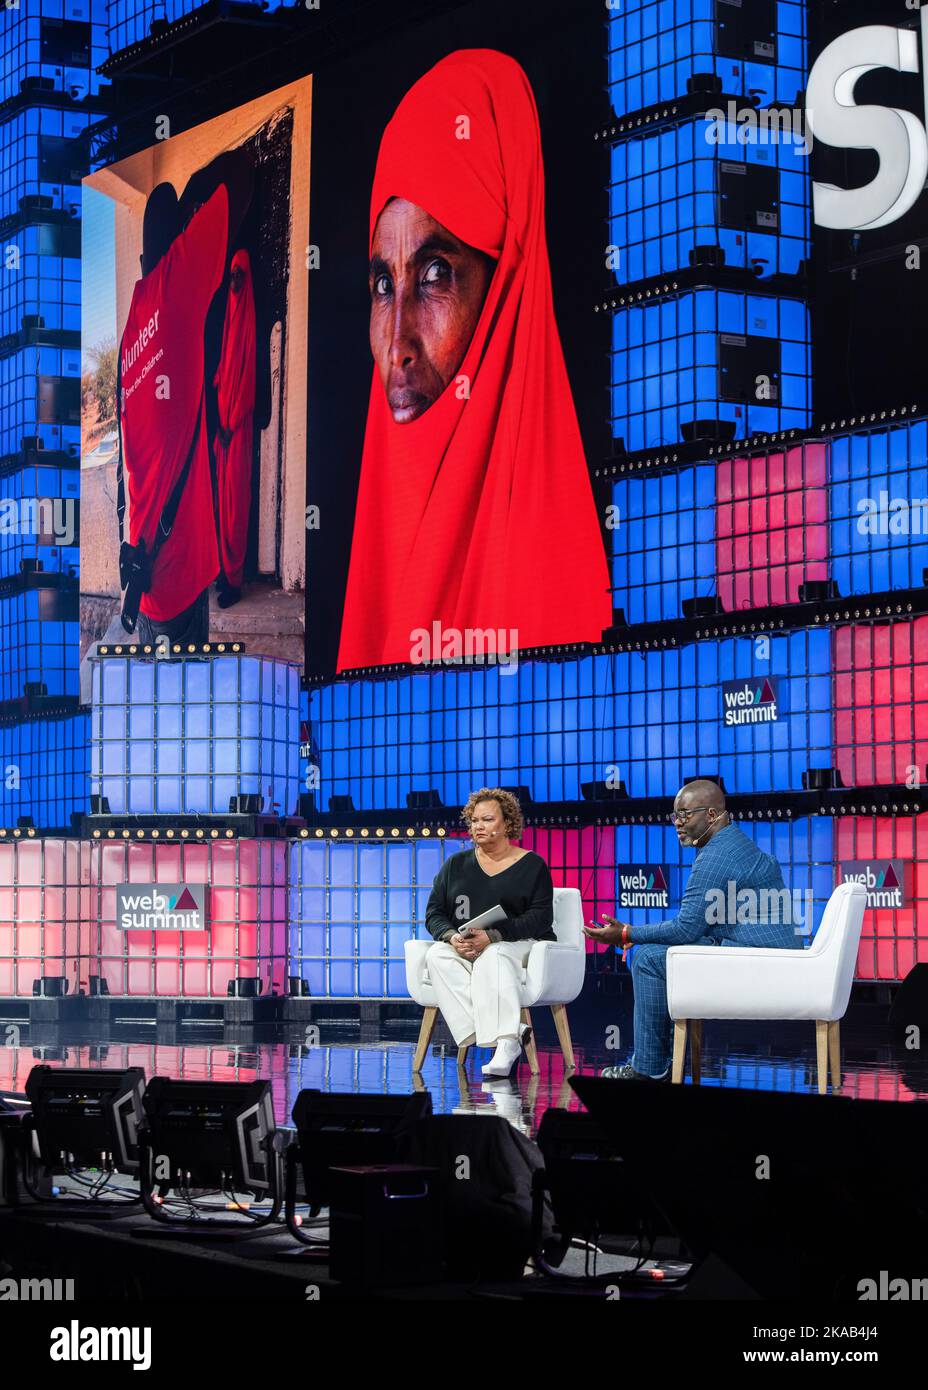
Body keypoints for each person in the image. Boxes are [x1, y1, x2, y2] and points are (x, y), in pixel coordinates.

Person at [336, 48, 612, 671]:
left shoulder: (555, 557)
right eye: (383, 284)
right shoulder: (375, 552)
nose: (398, 343)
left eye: (436, 274)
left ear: (506, 282)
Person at [117, 149, 253, 646]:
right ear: (178, 242)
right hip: (178, 578)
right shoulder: (176, 280)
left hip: (146, 572)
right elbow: (242, 173)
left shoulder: (131, 329)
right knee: (190, 710)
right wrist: (198, 185)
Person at [584, 780, 804, 1081]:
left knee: (648, 958)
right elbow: (698, 927)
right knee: (658, 954)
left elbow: (686, 928)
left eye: (685, 815)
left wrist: (626, 934)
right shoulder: (727, 842)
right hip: (760, 949)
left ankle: (650, 1069)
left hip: (764, 957)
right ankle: (658, 1064)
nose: (678, 823)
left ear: (712, 814)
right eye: (675, 816)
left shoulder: (717, 855)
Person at [425, 787, 555, 1078]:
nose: (477, 826)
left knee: (494, 954)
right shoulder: (455, 865)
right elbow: (434, 913)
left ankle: (507, 1042)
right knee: (436, 956)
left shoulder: (532, 865)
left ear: (507, 823)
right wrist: (451, 937)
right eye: (473, 820)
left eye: (486, 819)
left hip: (521, 945)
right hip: (470, 944)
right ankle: (510, 1033)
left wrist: (494, 935)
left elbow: (541, 917)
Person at [213, 248, 257, 609]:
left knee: (234, 507)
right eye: (232, 276)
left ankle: (235, 581)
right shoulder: (229, 317)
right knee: (220, 502)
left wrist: (229, 424)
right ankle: (224, 573)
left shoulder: (247, 323)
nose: (235, 281)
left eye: (240, 274)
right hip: (223, 432)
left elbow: (246, 385)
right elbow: (222, 375)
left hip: (236, 431)